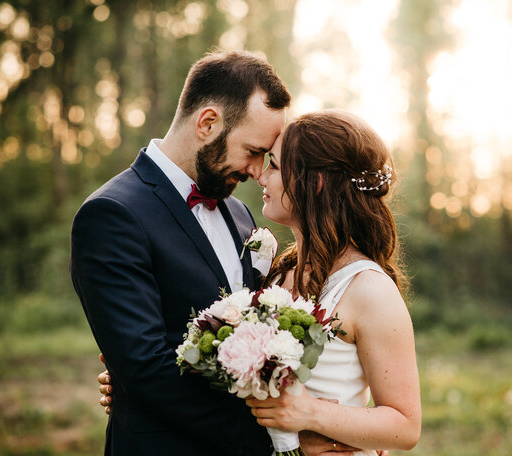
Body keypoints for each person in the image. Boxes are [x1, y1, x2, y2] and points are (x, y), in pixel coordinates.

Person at [99, 109, 422, 454]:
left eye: (275, 165)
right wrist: (133, 383)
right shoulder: (276, 272)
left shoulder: (369, 289)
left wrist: (312, 415)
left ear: (315, 183)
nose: (260, 175)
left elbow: (404, 426)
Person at [71, 49, 295, 455]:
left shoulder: (239, 212)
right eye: (253, 151)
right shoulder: (112, 215)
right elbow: (145, 368)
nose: (257, 171)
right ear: (208, 123)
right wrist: (276, 435)